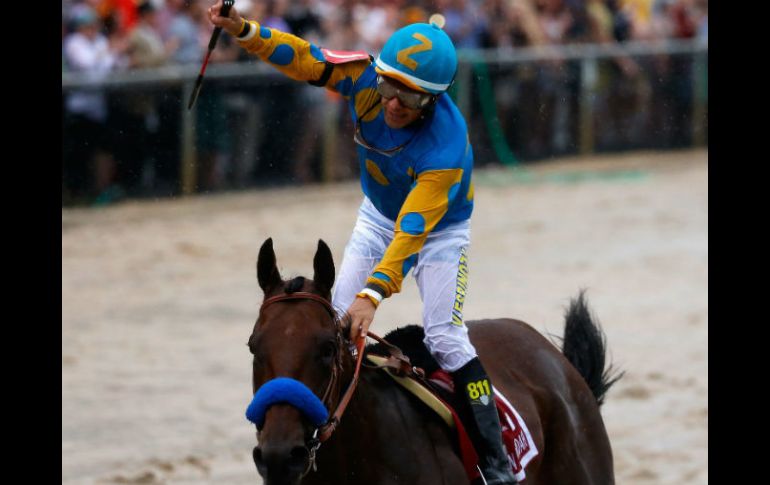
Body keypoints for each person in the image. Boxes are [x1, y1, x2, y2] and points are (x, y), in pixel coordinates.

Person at [207, 2, 517, 483]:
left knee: (445, 338)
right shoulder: (364, 77)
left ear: (432, 102)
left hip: (436, 231)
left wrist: (372, 295)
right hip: (377, 214)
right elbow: (304, 57)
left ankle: (496, 463)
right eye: (391, 87)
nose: (394, 103)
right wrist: (243, 30)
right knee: (329, 324)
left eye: (410, 99)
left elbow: (410, 235)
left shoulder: (445, 150)